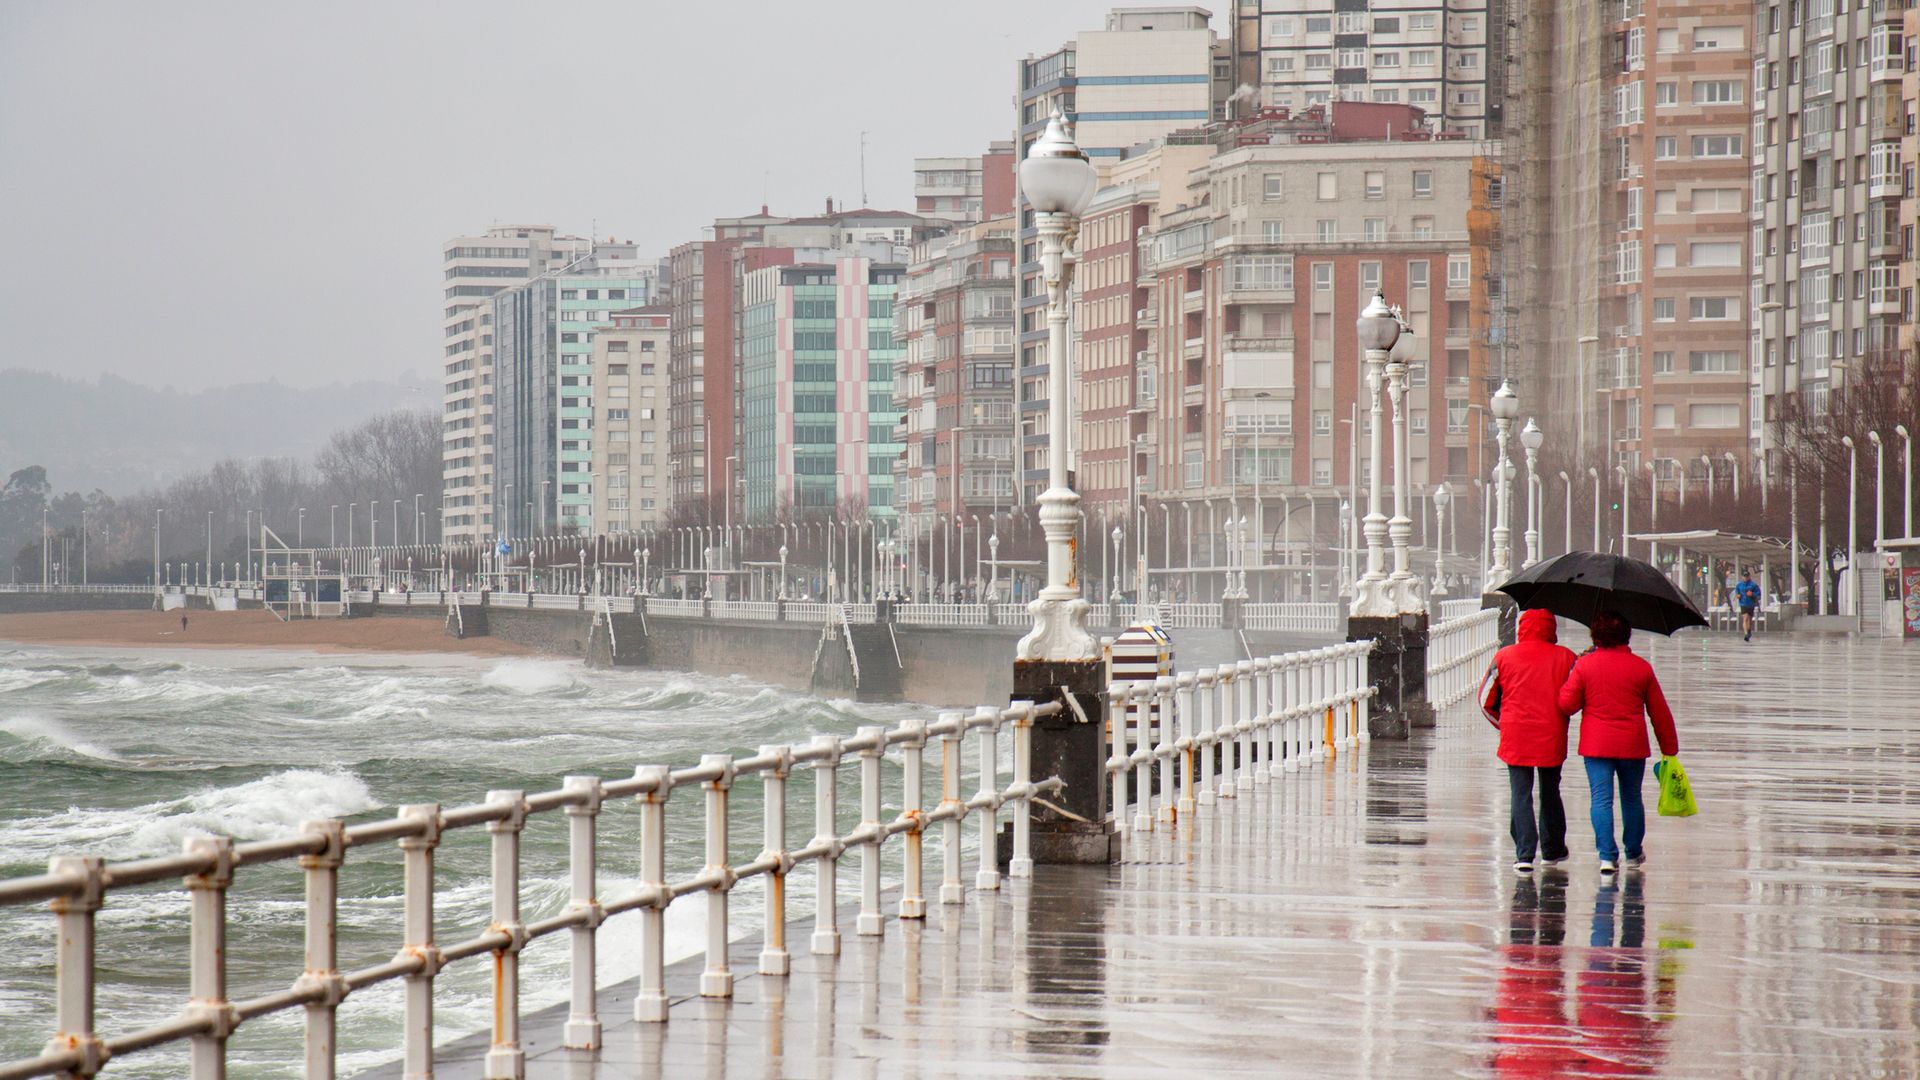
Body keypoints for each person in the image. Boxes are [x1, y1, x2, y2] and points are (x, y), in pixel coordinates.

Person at [1557, 610, 1679, 876]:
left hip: (1596, 745)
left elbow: (1566, 705)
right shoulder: (1641, 668)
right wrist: (1669, 748)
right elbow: (1659, 712)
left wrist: (1575, 669)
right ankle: (1633, 851)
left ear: (1596, 635)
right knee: (1632, 798)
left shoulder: (1585, 666)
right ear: (1627, 634)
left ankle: (1607, 856)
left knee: (1601, 800)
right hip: (1632, 745)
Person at [1482, 609, 1579, 874]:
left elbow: (1485, 700)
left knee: (1520, 793)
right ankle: (1552, 848)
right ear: (1552, 628)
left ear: (1520, 628)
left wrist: (1504, 726)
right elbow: (1574, 698)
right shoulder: (1567, 658)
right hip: (1552, 733)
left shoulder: (1504, 657)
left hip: (1516, 734)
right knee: (1550, 792)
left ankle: (1524, 853)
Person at [1732, 569, 1761, 641]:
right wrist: (1738, 595)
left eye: (1747, 576)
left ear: (1749, 576)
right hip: (1743, 604)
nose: (1746, 577)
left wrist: (1752, 594)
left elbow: (1759, 594)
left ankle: (1749, 631)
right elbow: (1737, 592)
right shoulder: (1739, 585)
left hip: (1751, 604)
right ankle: (1746, 634)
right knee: (1745, 618)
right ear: (1742, 577)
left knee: (1750, 620)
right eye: (1744, 576)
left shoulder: (1753, 585)